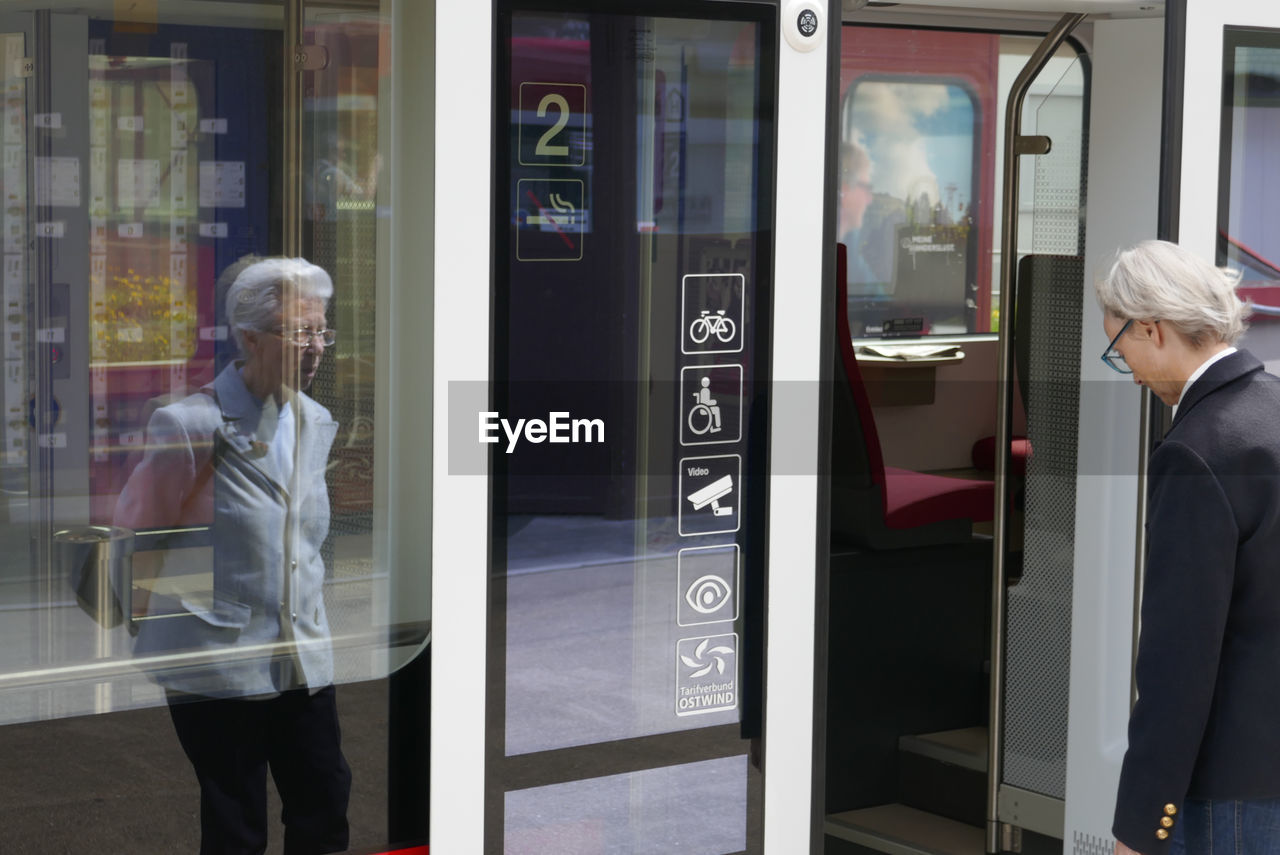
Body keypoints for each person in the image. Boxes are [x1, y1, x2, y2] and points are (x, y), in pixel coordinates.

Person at [115, 256, 350, 854]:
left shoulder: (315, 420)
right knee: (236, 823)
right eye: (300, 332)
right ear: (249, 337)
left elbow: (303, 546)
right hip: (216, 663)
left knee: (325, 800)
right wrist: (157, 628)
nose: (316, 347)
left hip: (301, 655)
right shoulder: (190, 425)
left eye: (322, 331)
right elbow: (136, 536)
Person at [1097, 239, 1280, 855]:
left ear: (1150, 328)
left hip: (1227, 793)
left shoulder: (1197, 448)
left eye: (1120, 351)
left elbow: (1179, 659)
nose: (1132, 373)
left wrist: (1141, 824)